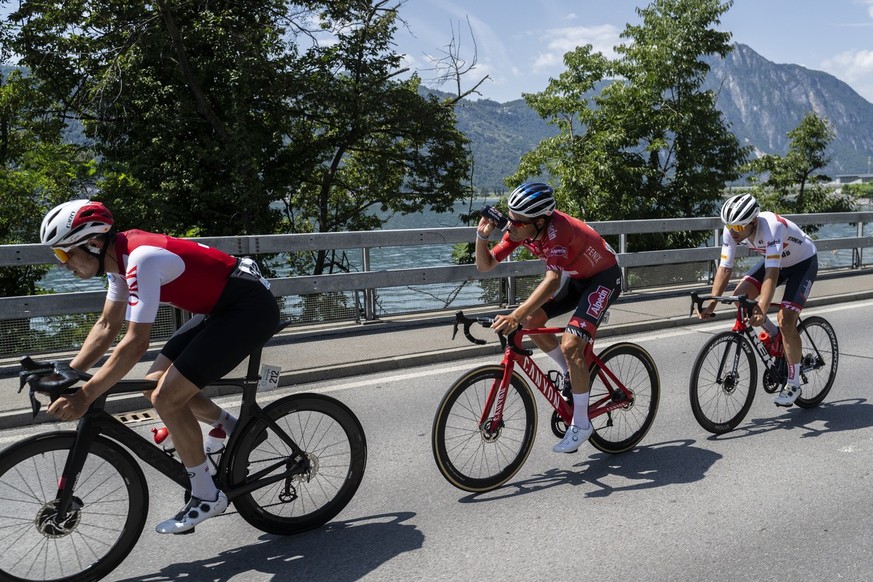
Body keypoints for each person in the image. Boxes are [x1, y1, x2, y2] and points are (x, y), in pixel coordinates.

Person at [39, 199, 279, 533]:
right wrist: (66, 373)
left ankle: (206, 496)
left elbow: (136, 342)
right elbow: (107, 326)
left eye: (65, 255)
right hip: (222, 308)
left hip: (249, 309)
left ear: (93, 244)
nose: (64, 265)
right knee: (153, 385)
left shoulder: (141, 259)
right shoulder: (118, 263)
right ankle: (234, 428)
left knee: (167, 397)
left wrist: (84, 396)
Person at [475, 182, 621, 453]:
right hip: (577, 279)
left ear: (539, 221)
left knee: (571, 345)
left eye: (517, 222)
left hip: (603, 278)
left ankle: (581, 424)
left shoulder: (558, 231)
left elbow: (553, 281)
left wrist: (515, 315)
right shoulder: (525, 229)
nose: (510, 226)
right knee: (532, 322)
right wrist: (482, 237)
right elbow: (485, 265)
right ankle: (569, 371)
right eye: (510, 218)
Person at [697, 193, 818, 406]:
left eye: (737, 228)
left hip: (803, 263)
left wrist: (762, 305)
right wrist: (712, 302)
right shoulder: (732, 229)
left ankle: (793, 383)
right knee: (739, 298)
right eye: (729, 227)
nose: (733, 232)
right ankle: (774, 336)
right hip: (778, 263)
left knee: (786, 320)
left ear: (752, 222)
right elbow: (725, 268)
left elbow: (771, 273)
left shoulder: (772, 227)